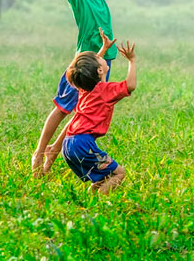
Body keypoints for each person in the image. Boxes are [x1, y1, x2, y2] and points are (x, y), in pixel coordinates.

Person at [31, 0, 144, 175]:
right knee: (62, 108)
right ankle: (39, 153)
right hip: (84, 63)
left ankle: (53, 154)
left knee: (85, 110)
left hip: (104, 60)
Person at [59, 39, 137, 193]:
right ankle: (98, 204)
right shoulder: (105, 91)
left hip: (68, 144)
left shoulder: (84, 88)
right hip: (82, 144)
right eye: (99, 57)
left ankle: (90, 198)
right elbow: (130, 85)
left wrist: (104, 48)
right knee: (119, 173)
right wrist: (132, 60)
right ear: (99, 70)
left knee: (103, 177)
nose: (100, 56)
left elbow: (88, 70)